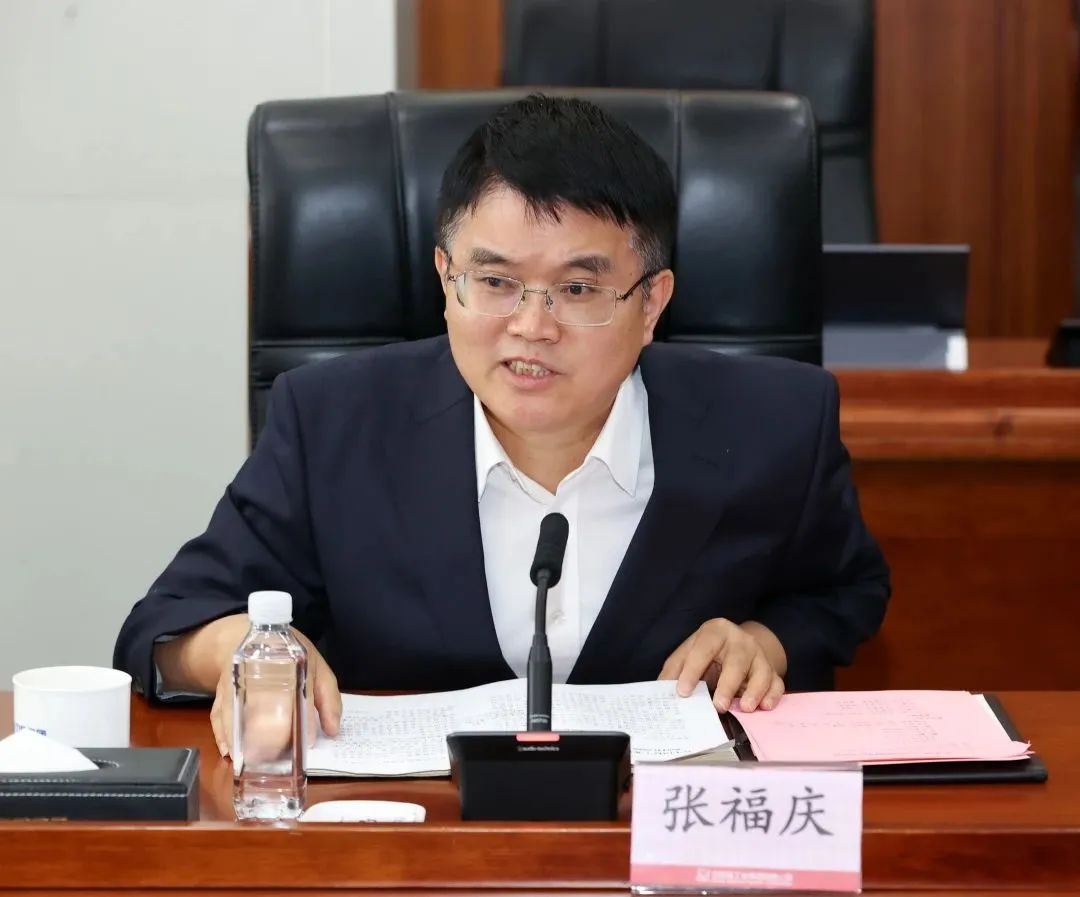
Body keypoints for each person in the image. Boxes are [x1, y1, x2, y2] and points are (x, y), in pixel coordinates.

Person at [114, 95, 890, 758]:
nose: (531, 326)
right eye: (494, 281)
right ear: (445, 279)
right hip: (408, 841)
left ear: (652, 302)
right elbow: (163, 628)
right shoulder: (331, 423)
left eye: (578, 289)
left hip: (655, 836)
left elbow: (846, 591)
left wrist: (766, 640)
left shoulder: (774, 425)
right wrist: (246, 651)